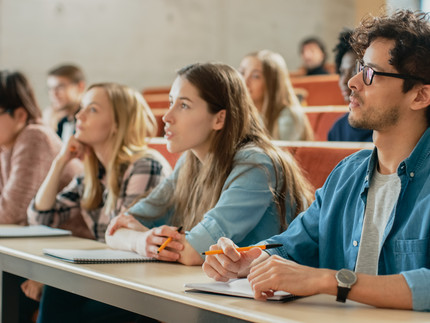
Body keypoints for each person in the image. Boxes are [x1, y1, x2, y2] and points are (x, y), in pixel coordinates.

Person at [202, 10, 430, 311]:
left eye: (370, 73)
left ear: (420, 96)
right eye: (359, 68)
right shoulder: (347, 173)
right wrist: (248, 259)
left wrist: (330, 280)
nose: (352, 82)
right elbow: (293, 244)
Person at [105, 62, 314, 267]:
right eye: (171, 103)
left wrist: (143, 239)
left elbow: (195, 252)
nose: (167, 117)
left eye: (184, 105)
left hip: (269, 296)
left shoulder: (257, 166)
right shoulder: (190, 161)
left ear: (219, 119)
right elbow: (116, 228)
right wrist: (141, 241)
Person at [28, 83, 172, 322]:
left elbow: (121, 236)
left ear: (117, 123)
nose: (78, 115)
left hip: (142, 285)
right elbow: (40, 217)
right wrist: (60, 162)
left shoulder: (145, 165)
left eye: (92, 110)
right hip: (109, 278)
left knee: (57, 293)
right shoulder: (94, 173)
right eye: (82, 108)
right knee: (55, 289)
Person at [0, 70, 83, 322]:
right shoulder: (7, 144)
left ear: (20, 115)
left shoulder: (33, 137)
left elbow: (10, 212)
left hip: (71, 253)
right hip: (39, 251)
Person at [238, 50, 314, 141]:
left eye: (255, 76)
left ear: (272, 83)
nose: (244, 81)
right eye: (242, 73)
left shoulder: (288, 118)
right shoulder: (247, 115)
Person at [328, 29, 373, 142]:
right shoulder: (338, 128)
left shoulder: (386, 130)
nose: (345, 81)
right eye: (342, 72)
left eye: (355, 71)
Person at [45, 64, 86, 142]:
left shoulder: (89, 122)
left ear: (80, 87)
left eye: (60, 87)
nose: (54, 94)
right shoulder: (59, 121)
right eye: (50, 88)